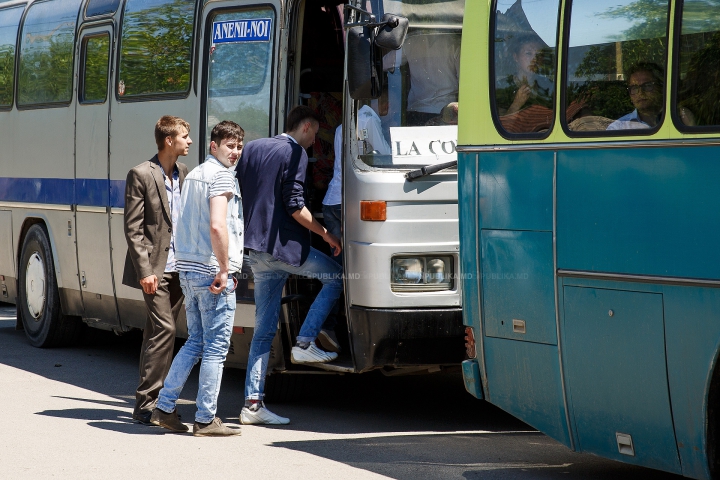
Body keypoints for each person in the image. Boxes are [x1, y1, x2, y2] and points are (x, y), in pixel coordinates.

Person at [236, 106, 343, 425]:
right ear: (307, 127)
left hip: (255, 250)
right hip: (282, 247)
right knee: (336, 277)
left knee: (264, 330)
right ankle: (305, 342)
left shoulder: (253, 148)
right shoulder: (295, 152)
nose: (315, 142)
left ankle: (252, 405)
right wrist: (327, 235)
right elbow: (296, 206)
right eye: (316, 134)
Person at [151, 121, 245, 437]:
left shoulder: (193, 175)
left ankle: (163, 408)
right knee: (216, 348)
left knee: (195, 342)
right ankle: (205, 419)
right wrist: (223, 269)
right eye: (229, 146)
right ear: (213, 146)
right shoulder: (220, 176)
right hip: (211, 272)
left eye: (239, 146)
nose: (235, 152)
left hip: (189, 270)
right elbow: (218, 226)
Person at [122, 116, 190, 425]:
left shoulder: (183, 172)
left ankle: (146, 404)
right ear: (168, 141)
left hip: (179, 268)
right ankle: (152, 404)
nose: (189, 141)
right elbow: (133, 229)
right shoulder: (141, 174)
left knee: (155, 333)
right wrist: (145, 270)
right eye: (184, 137)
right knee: (166, 330)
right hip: (155, 270)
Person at [317, 125, 344, 352]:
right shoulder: (368, 117)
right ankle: (327, 325)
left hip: (331, 200)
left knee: (337, 268)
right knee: (344, 272)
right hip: (347, 200)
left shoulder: (340, 126)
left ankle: (328, 325)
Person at [495, 35, 554, 133]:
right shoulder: (502, 87)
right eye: (528, 53)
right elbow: (499, 127)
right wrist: (516, 104)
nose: (534, 59)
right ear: (516, 57)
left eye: (538, 54)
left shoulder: (549, 85)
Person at [403, 33, 461, 126]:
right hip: (445, 112)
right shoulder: (455, 43)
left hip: (416, 110)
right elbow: (464, 81)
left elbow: (386, 63)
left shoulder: (411, 42)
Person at [607, 63, 674, 130]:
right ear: (630, 95)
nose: (640, 93)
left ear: (660, 88)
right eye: (635, 88)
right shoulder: (618, 128)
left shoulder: (676, 120)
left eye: (647, 85)